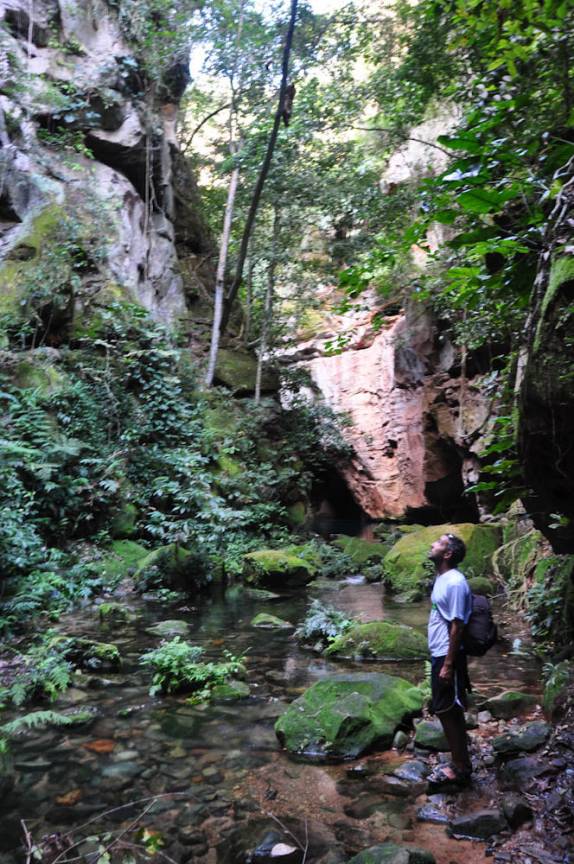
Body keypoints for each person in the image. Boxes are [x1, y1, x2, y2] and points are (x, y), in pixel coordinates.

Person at [426, 532, 473, 788]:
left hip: (447, 654)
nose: (432, 544)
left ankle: (461, 768)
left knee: (446, 709)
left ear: (447, 554)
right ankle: (461, 760)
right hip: (440, 651)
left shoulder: (455, 582)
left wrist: (447, 664)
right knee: (447, 708)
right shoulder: (443, 577)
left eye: (439, 543)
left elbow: (458, 625)